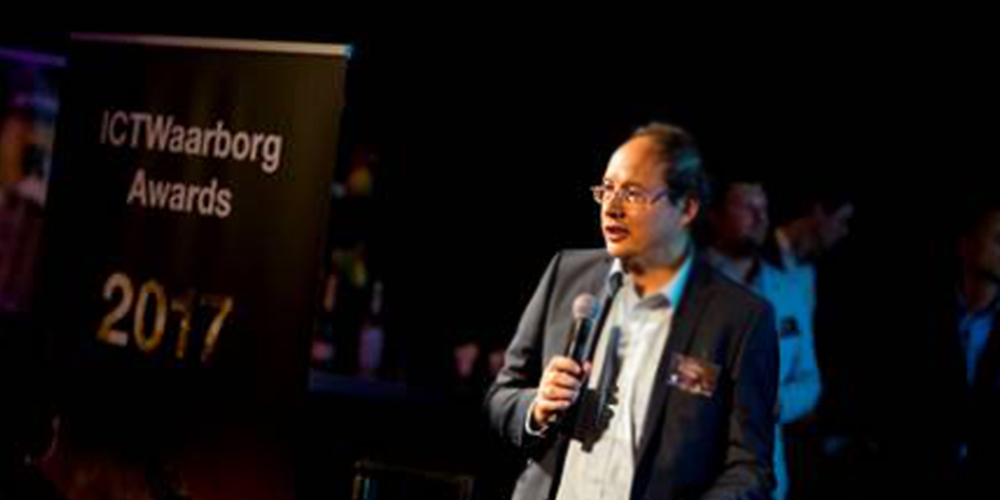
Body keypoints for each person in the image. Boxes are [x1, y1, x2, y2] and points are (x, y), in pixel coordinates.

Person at [485, 123, 778, 500]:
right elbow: (500, 396)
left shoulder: (739, 318)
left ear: (686, 207)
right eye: (606, 189)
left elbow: (750, 469)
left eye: (633, 193)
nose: (612, 206)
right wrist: (537, 408)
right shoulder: (567, 274)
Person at [705, 178, 822, 500]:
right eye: (747, 208)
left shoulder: (789, 289)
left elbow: (811, 381)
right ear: (715, 215)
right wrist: (726, 396)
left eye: (764, 209)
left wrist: (778, 402)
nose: (760, 219)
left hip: (766, 471)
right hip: (699, 464)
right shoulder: (689, 284)